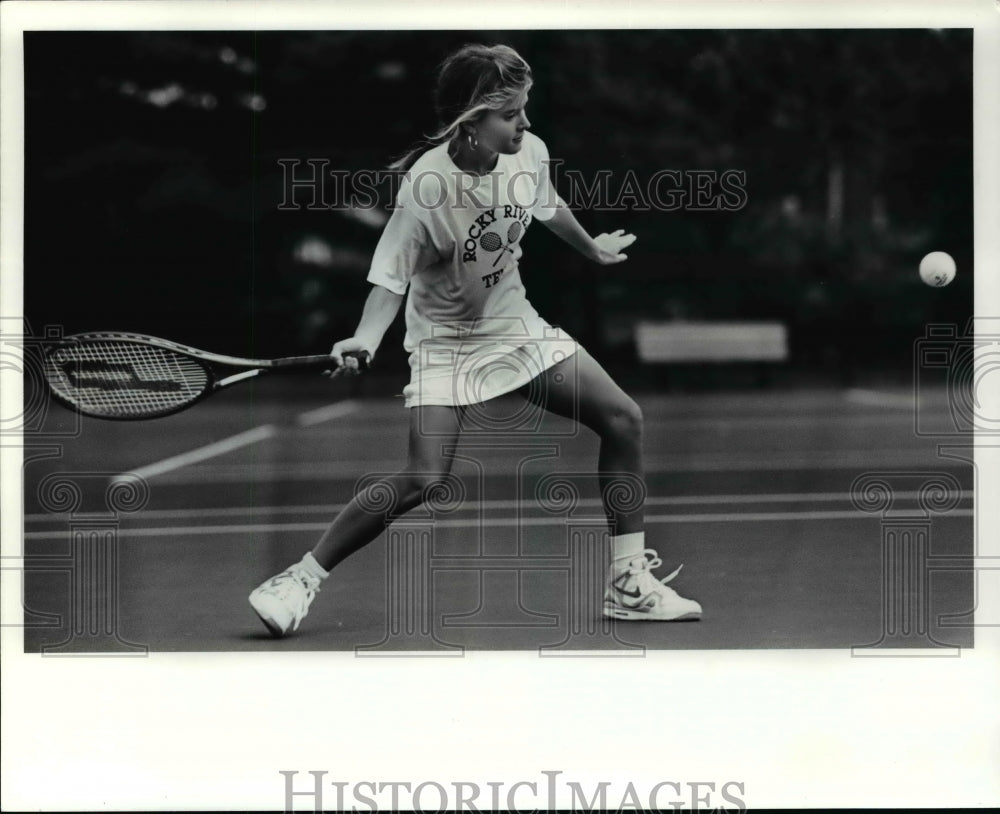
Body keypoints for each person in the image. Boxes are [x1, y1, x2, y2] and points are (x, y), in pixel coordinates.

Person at [249, 43, 701, 636]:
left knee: (623, 418)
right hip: (445, 344)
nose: (526, 123)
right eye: (512, 113)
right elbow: (389, 277)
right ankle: (298, 580)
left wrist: (591, 247)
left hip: (514, 328)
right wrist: (364, 337)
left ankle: (629, 584)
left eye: (524, 109)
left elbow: (544, 203)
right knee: (423, 479)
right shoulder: (427, 189)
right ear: (472, 120)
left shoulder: (526, 154)